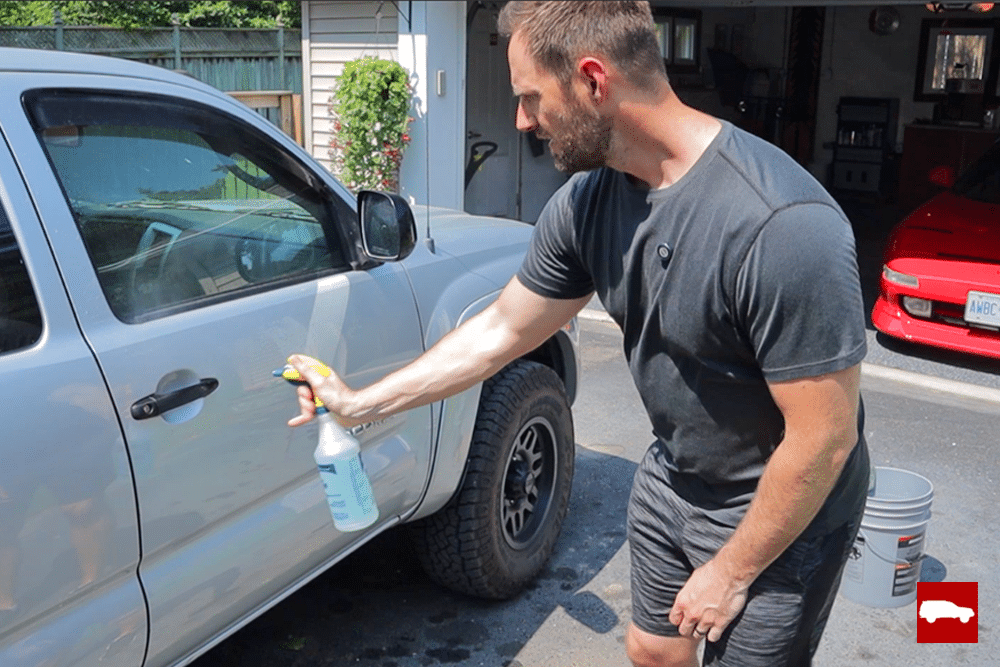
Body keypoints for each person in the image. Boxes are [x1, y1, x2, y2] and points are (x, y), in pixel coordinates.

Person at [287, 2, 870, 665]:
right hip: (676, 475)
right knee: (654, 649)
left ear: (593, 81)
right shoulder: (588, 203)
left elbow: (824, 439)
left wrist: (732, 570)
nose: (521, 120)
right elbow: (500, 330)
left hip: (782, 503)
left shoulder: (782, 225)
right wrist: (362, 402)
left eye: (530, 97)